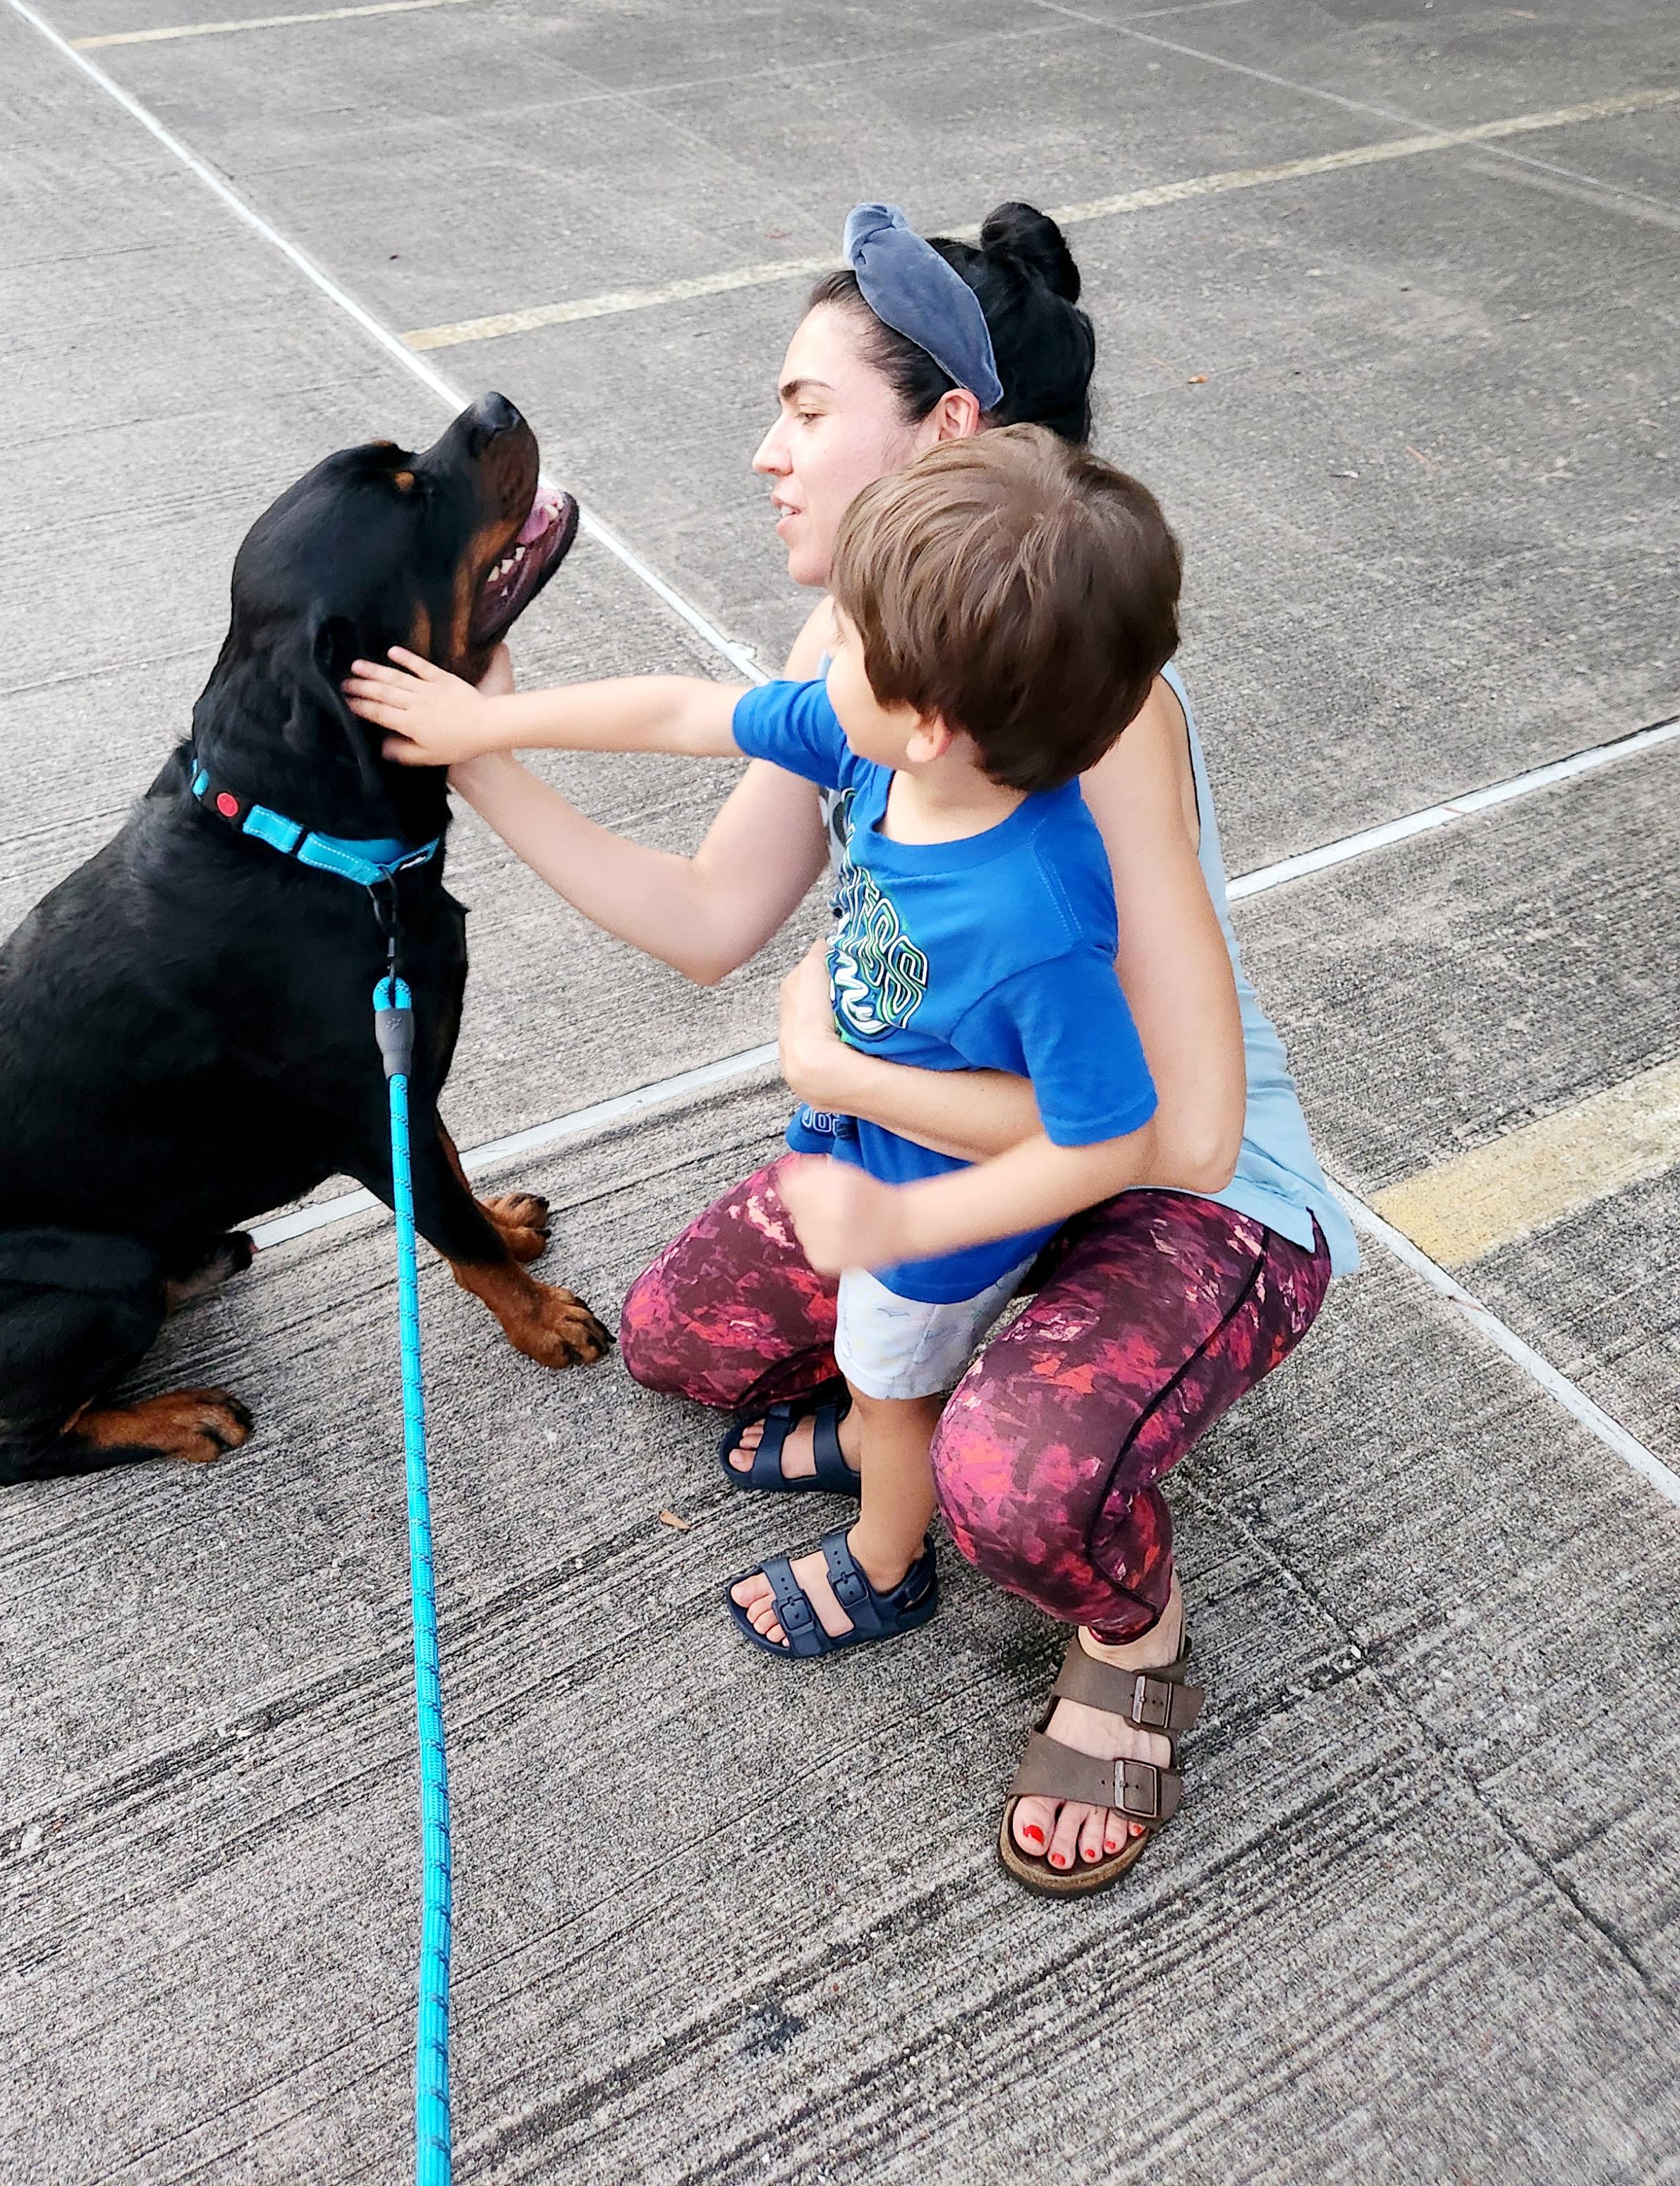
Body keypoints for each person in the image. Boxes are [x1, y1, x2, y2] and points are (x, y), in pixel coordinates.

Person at [434, 200, 1356, 1895]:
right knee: (676, 1338)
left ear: (947, 431)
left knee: (1022, 1482)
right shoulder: (850, 654)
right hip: (965, 1146)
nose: (765, 451)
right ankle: (929, 1399)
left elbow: (1189, 1125)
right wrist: (477, 739)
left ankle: (1134, 1638)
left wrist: (860, 1091)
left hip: (1176, 1178)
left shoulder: (1104, 711)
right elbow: (716, 915)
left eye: (801, 406)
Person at [352, 406, 1185, 1677]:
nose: (825, 655)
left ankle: (889, 1556)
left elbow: (1111, 1134)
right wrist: (488, 731)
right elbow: (687, 711)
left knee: (897, 1384)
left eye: (856, 638)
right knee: (861, 1365)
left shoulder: (1036, 921)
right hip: (863, 1150)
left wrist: (898, 1223)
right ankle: (872, 1417)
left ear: (930, 722)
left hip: (925, 1205)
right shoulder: (889, 751)